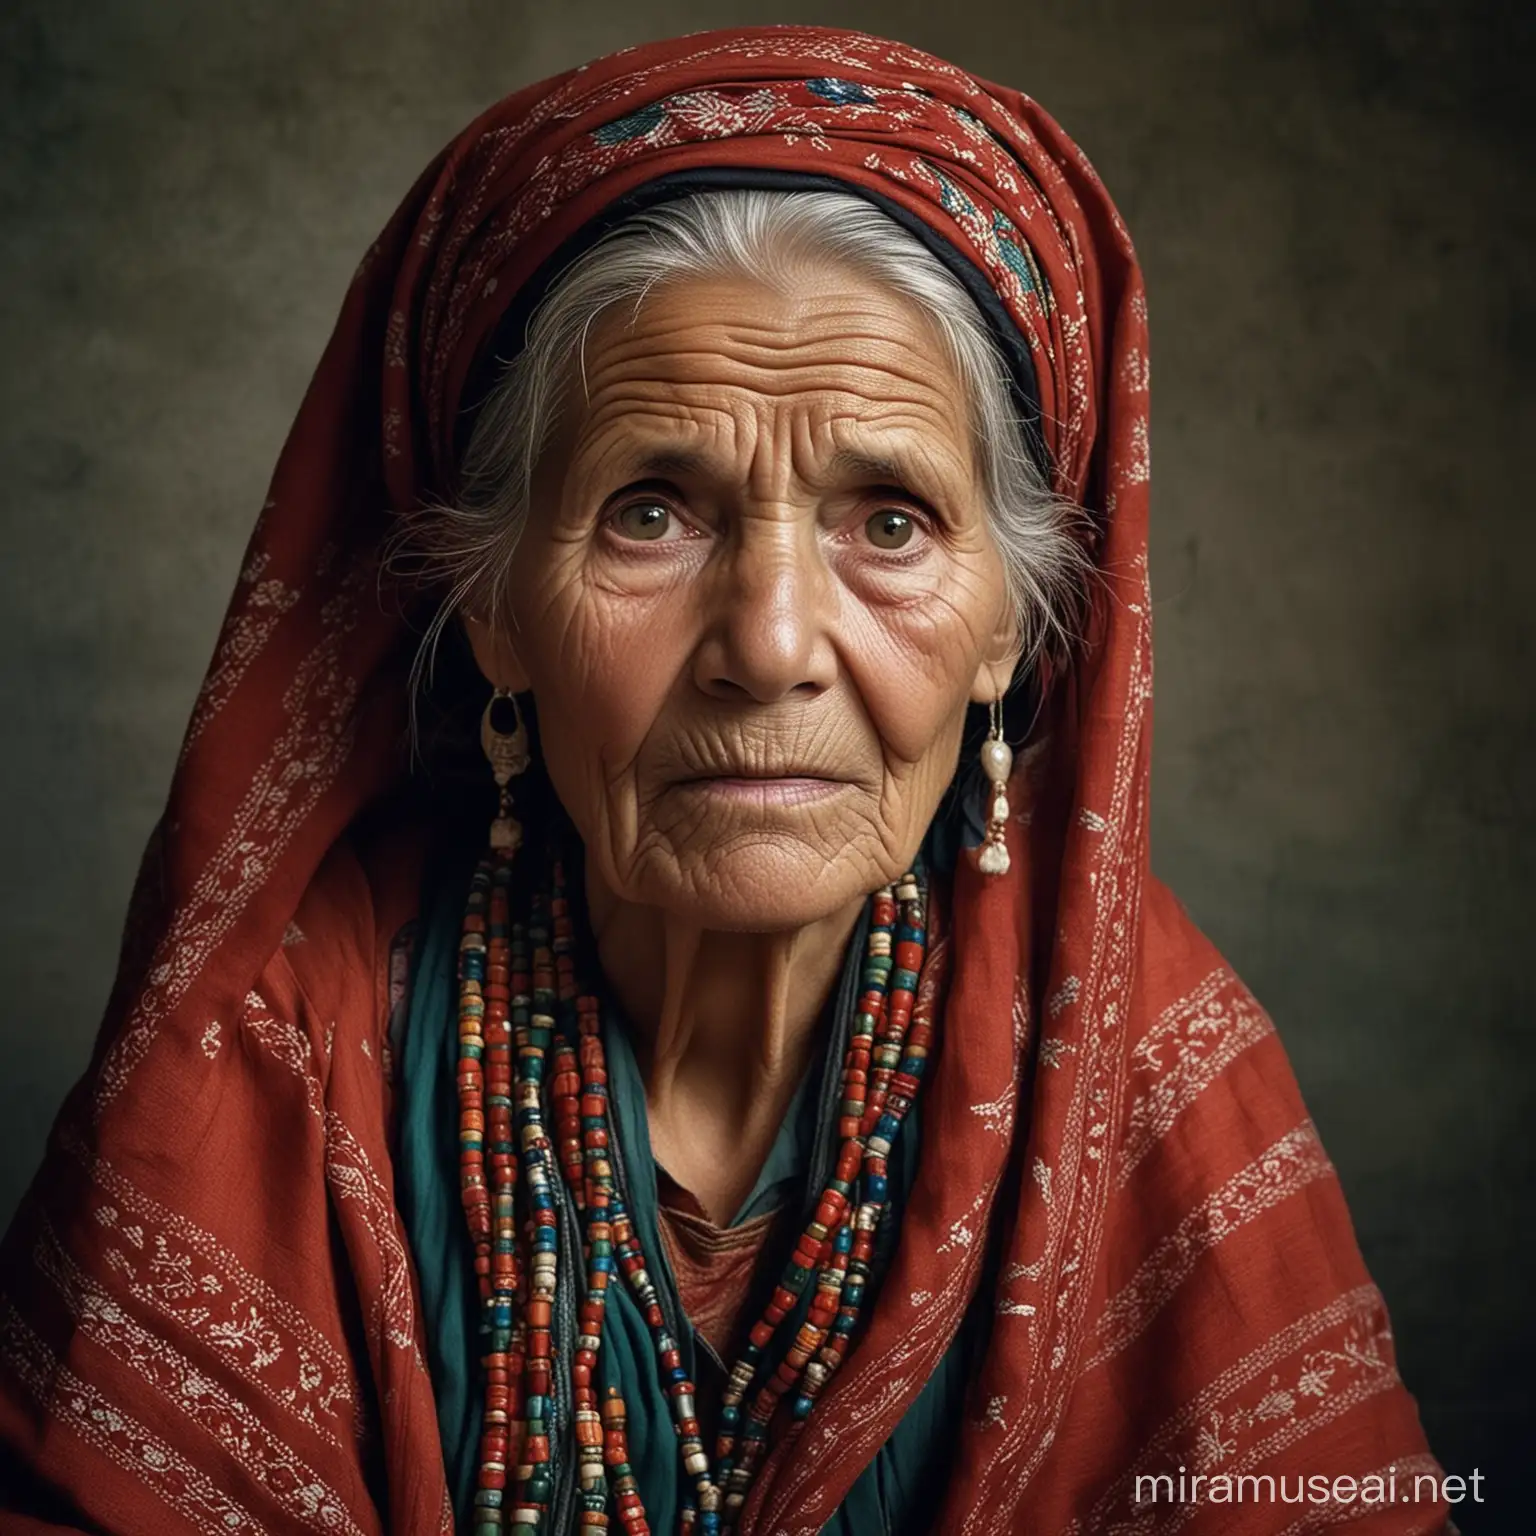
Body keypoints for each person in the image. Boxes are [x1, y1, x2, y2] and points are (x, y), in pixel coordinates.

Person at [0, 25, 1447, 1536]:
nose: (768, 647)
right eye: (649, 514)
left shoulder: (1142, 1056)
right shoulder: (281, 1046)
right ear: (496, 608)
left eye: (889, 524)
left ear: (1009, 627)